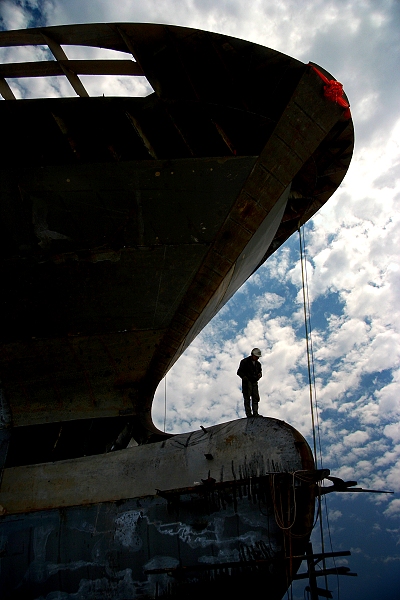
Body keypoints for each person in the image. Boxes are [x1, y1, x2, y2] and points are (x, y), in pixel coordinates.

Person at [237, 348, 262, 418]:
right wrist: (244, 377)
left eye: (258, 357)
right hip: (247, 383)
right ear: (252, 355)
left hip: (254, 382)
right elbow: (239, 372)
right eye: (256, 356)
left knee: (255, 398)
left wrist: (259, 375)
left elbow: (260, 372)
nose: (257, 358)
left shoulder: (258, 364)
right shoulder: (244, 362)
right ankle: (249, 414)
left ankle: (255, 413)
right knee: (247, 398)